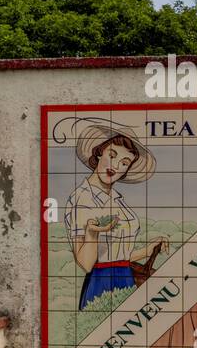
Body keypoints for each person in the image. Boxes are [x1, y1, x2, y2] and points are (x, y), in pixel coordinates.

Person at [63, 123, 168, 309]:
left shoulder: (118, 201)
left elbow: (118, 255)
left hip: (126, 278)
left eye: (125, 163)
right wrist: (92, 234)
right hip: (101, 285)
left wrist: (148, 249)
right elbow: (86, 264)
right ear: (98, 153)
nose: (116, 166)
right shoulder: (82, 197)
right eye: (112, 156)